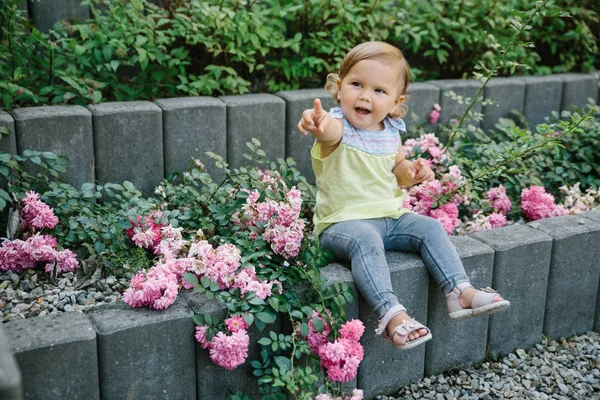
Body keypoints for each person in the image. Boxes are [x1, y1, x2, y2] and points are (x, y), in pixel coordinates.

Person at [297, 41, 510, 350]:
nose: (366, 95)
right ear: (340, 88)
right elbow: (327, 130)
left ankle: (458, 291)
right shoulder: (338, 127)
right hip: (342, 225)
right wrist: (315, 122)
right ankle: (391, 314)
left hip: (390, 218)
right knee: (365, 241)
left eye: (379, 91)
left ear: (395, 103)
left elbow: (397, 167)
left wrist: (412, 172)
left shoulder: (389, 131)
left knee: (430, 228)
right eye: (357, 84)